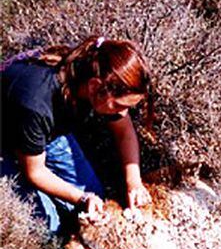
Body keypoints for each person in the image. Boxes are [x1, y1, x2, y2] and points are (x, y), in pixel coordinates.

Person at [1, 36, 153, 235]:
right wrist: (81, 198)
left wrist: (133, 182)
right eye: (118, 105)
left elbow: (124, 131)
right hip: (9, 133)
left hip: (43, 132)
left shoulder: (92, 69)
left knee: (96, 197)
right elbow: (35, 172)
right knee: (47, 226)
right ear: (94, 87)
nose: (121, 112)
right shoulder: (37, 102)